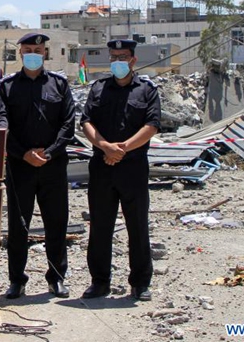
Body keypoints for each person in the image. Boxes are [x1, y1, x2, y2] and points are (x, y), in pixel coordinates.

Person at [79, 39, 161, 302]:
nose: (118, 62)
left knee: (137, 226)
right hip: (102, 167)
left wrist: (122, 148)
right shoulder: (99, 88)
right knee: (100, 226)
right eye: (113, 57)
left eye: (123, 57)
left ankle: (140, 283)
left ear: (133, 60)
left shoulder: (147, 90)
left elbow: (152, 125)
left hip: (133, 168)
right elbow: (86, 121)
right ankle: (99, 282)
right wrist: (104, 146)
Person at [0, 33, 76, 299]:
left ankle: (56, 278)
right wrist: (23, 154)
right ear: (20, 53)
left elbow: (68, 125)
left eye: (38, 49)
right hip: (20, 167)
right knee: (19, 227)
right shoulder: (7, 87)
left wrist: (50, 153)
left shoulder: (59, 84)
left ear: (45, 53)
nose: (33, 53)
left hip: (53, 167)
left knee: (57, 224)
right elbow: (2, 126)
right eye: (28, 49)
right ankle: (17, 280)